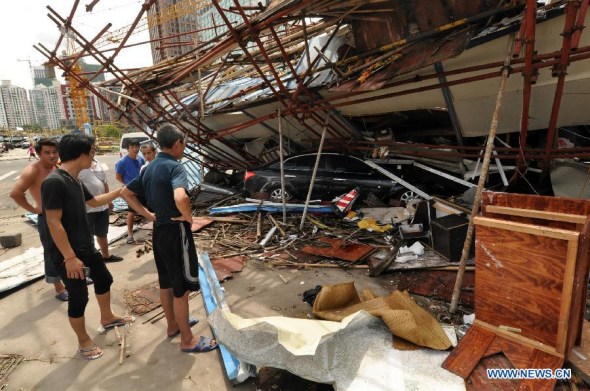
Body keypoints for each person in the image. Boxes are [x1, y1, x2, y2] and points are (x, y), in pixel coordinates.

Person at [122, 124, 217, 353]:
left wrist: (147, 215)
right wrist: (188, 217)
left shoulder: (149, 167)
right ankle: (188, 340)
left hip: (159, 233)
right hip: (176, 232)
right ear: (177, 144)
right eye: (183, 144)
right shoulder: (175, 167)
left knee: (166, 283)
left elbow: (125, 193)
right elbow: (180, 195)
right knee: (181, 289)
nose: (183, 148)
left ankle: (173, 326)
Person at [40, 133, 136, 361]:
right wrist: (70, 257)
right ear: (83, 153)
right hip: (68, 253)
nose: (94, 155)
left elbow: (94, 202)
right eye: (92, 151)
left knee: (104, 279)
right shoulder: (54, 182)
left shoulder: (74, 179)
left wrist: (120, 191)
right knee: (79, 296)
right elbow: (53, 222)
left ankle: (107, 317)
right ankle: (83, 341)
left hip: (85, 245)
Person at [10, 138, 68, 301]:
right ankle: (59, 287)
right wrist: (35, 209)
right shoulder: (33, 170)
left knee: (70, 247)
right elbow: (15, 193)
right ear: (38, 153)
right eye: (47, 153)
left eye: (54, 152)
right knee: (52, 252)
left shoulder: (57, 166)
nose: (52, 156)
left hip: (65, 216)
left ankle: (73, 278)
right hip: (48, 218)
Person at [79, 158, 124, 263]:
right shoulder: (79, 166)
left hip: (102, 206)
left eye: (93, 149)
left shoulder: (98, 163)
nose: (91, 152)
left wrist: (109, 201)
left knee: (102, 233)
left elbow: (105, 183)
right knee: (87, 237)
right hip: (87, 208)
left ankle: (106, 256)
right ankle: (90, 260)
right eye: (89, 150)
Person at [115, 138, 144, 244]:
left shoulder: (141, 159)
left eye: (137, 147)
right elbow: (118, 177)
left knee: (150, 209)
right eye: (132, 147)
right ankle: (130, 235)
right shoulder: (122, 162)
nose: (135, 149)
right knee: (132, 212)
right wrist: (128, 186)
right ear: (127, 149)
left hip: (142, 189)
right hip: (131, 191)